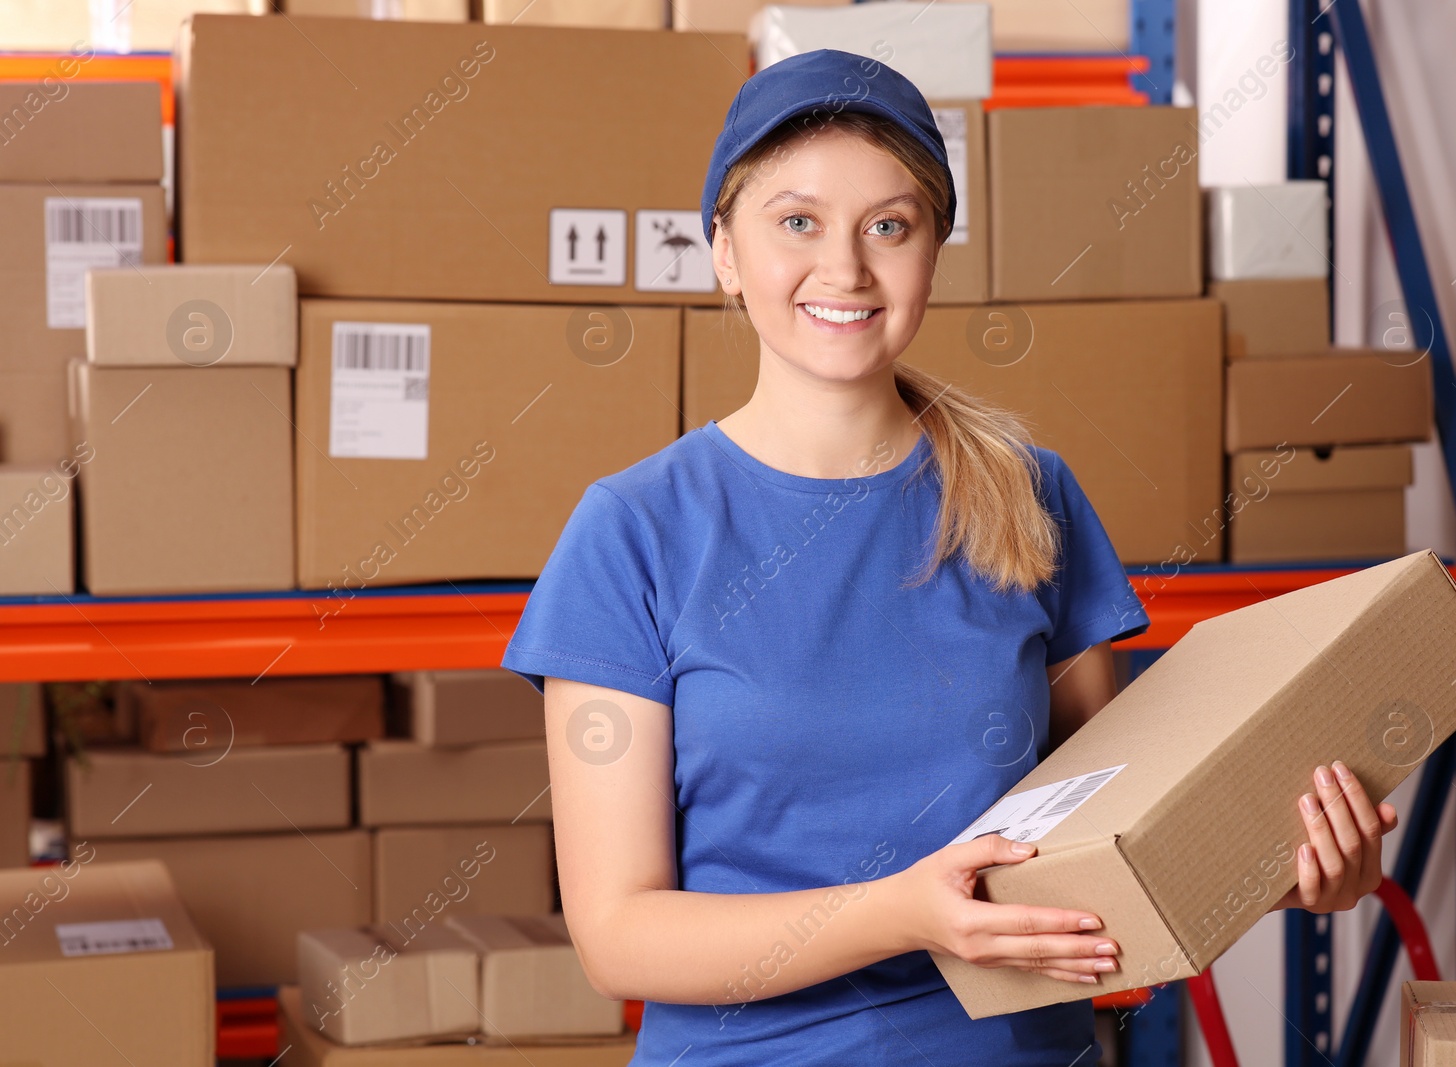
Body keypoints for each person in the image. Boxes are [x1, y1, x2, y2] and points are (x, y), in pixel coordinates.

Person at [501, 49, 1399, 1066]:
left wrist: (1290, 869)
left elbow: (1111, 840)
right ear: (721, 248)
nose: (843, 268)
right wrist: (900, 912)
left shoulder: (1025, 495)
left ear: (933, 251)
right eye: (796, 221)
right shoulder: (632, 532)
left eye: (889, 225)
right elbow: (618, 934)